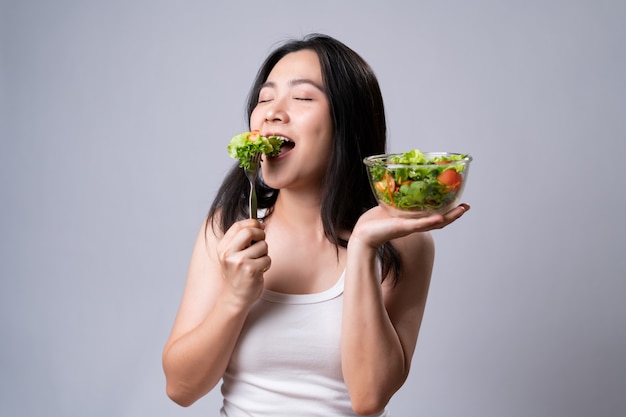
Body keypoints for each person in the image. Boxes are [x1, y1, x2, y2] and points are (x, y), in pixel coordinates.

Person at [162, 33, 469, 417]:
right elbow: (181, 388)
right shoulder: (228, 226)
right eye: (264, 99)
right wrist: (234, 297)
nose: (272, 112)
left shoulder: (405, 243)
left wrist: (362, 248)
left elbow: (369, 398)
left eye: (303, 97)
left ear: (347, 122)